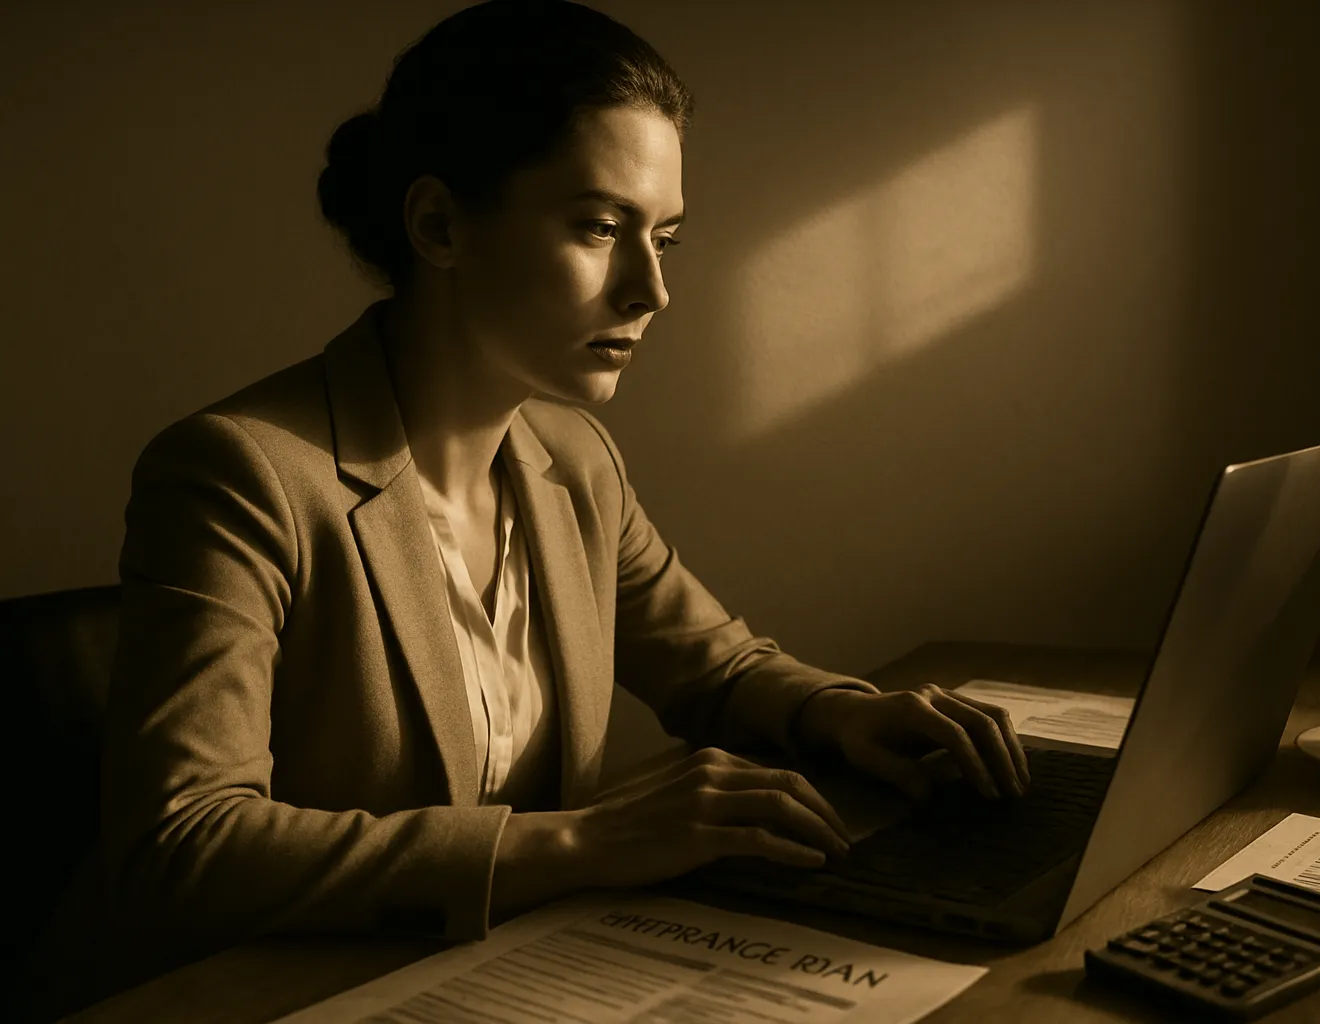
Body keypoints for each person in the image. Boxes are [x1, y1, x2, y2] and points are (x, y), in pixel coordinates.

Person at [36, 0, 1030, 1015]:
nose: (650, 289)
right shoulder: (238, 472)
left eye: (666, 237)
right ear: (439, 224)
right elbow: (182, 846)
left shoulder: (571, 457)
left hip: (483, 981)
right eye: (599, 227)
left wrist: (842, 711)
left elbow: (715, 666)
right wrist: (581, 840)